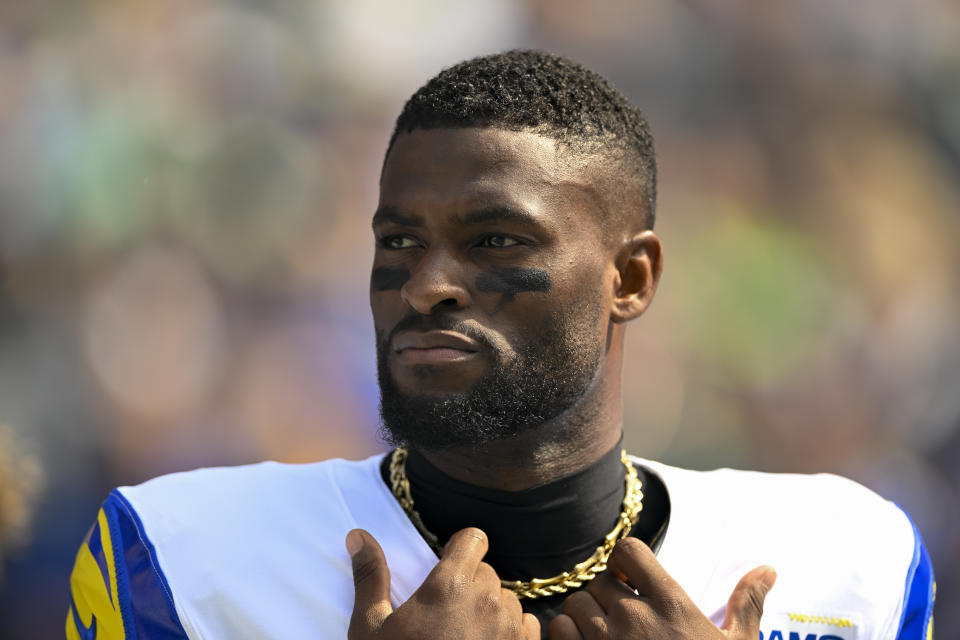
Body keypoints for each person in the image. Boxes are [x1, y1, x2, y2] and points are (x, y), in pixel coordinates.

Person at [66, 50, 934, 640]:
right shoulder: (174, 559)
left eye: (495, 242)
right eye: (398, 241)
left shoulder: (849, 560)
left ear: (629, 280)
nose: (424, 285)